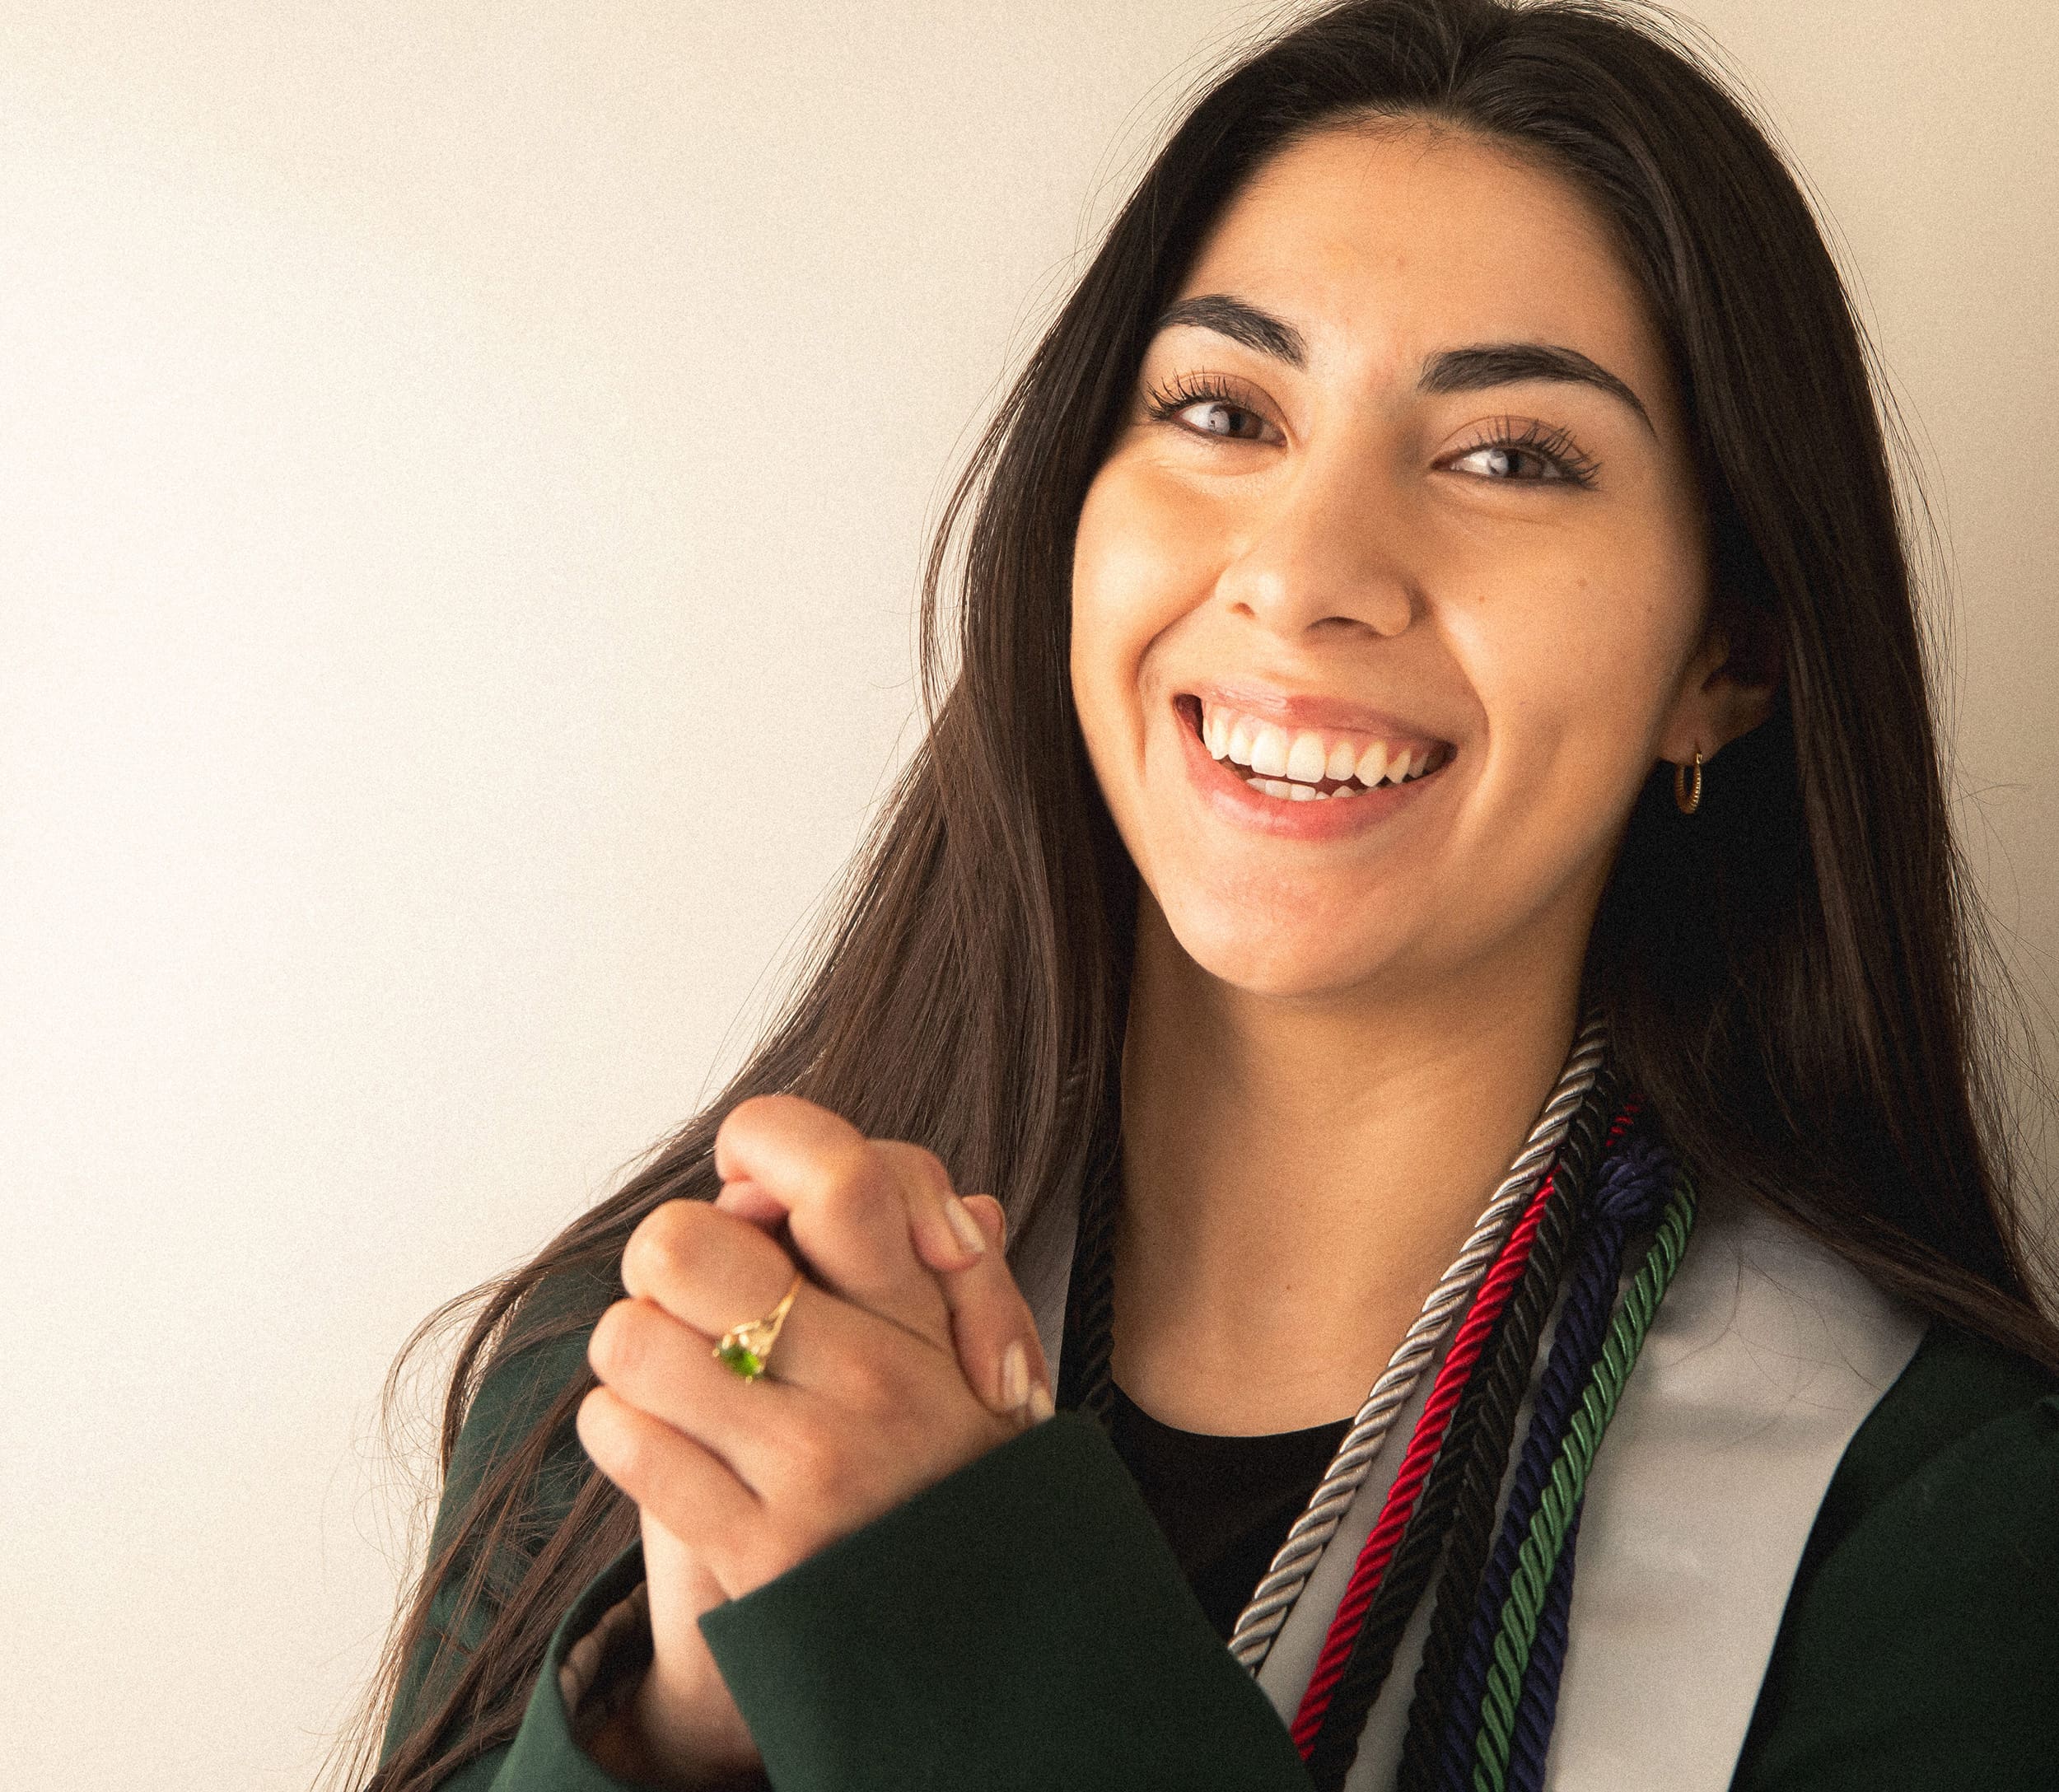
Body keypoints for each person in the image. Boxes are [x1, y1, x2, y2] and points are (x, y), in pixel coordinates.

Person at [339, 1, 2059, 1788]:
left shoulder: (1931, 1537)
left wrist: (956, 1632)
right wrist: (678, 1732)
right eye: (1223, 410)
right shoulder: (645, 1372)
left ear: (1729, 654)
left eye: (1510, 455)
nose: (1305, 571)